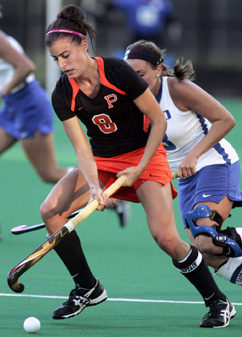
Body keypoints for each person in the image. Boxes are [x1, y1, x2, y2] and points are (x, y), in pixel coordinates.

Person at [41, 4, 235, 328]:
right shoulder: (63, 92)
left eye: (66, 55)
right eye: (56, 59)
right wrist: (94, 188)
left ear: (83, 47)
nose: (63, 64)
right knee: (51, 211)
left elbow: (158, 121)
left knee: (166, 238)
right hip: (103, 160)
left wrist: (138, 168)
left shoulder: (117, 71)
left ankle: (218, 301)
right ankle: (87, 286)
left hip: (145, 154)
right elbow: (81, 149)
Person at [124, 39, 242, 287]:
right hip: (183, 176)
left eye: (140, 74)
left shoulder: (176, 89)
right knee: (205, 254)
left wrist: (194, 154)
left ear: (158, 69)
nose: (134, 81)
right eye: (128, 74)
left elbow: (226, 120)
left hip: (213, 162)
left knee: (206, 240)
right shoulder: (128, 102)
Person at [0, 30, 70, 183]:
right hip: (12, 105)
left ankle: (104, 185)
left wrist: (3, 91)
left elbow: (26, 67)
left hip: (28, 104)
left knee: (50, 173)